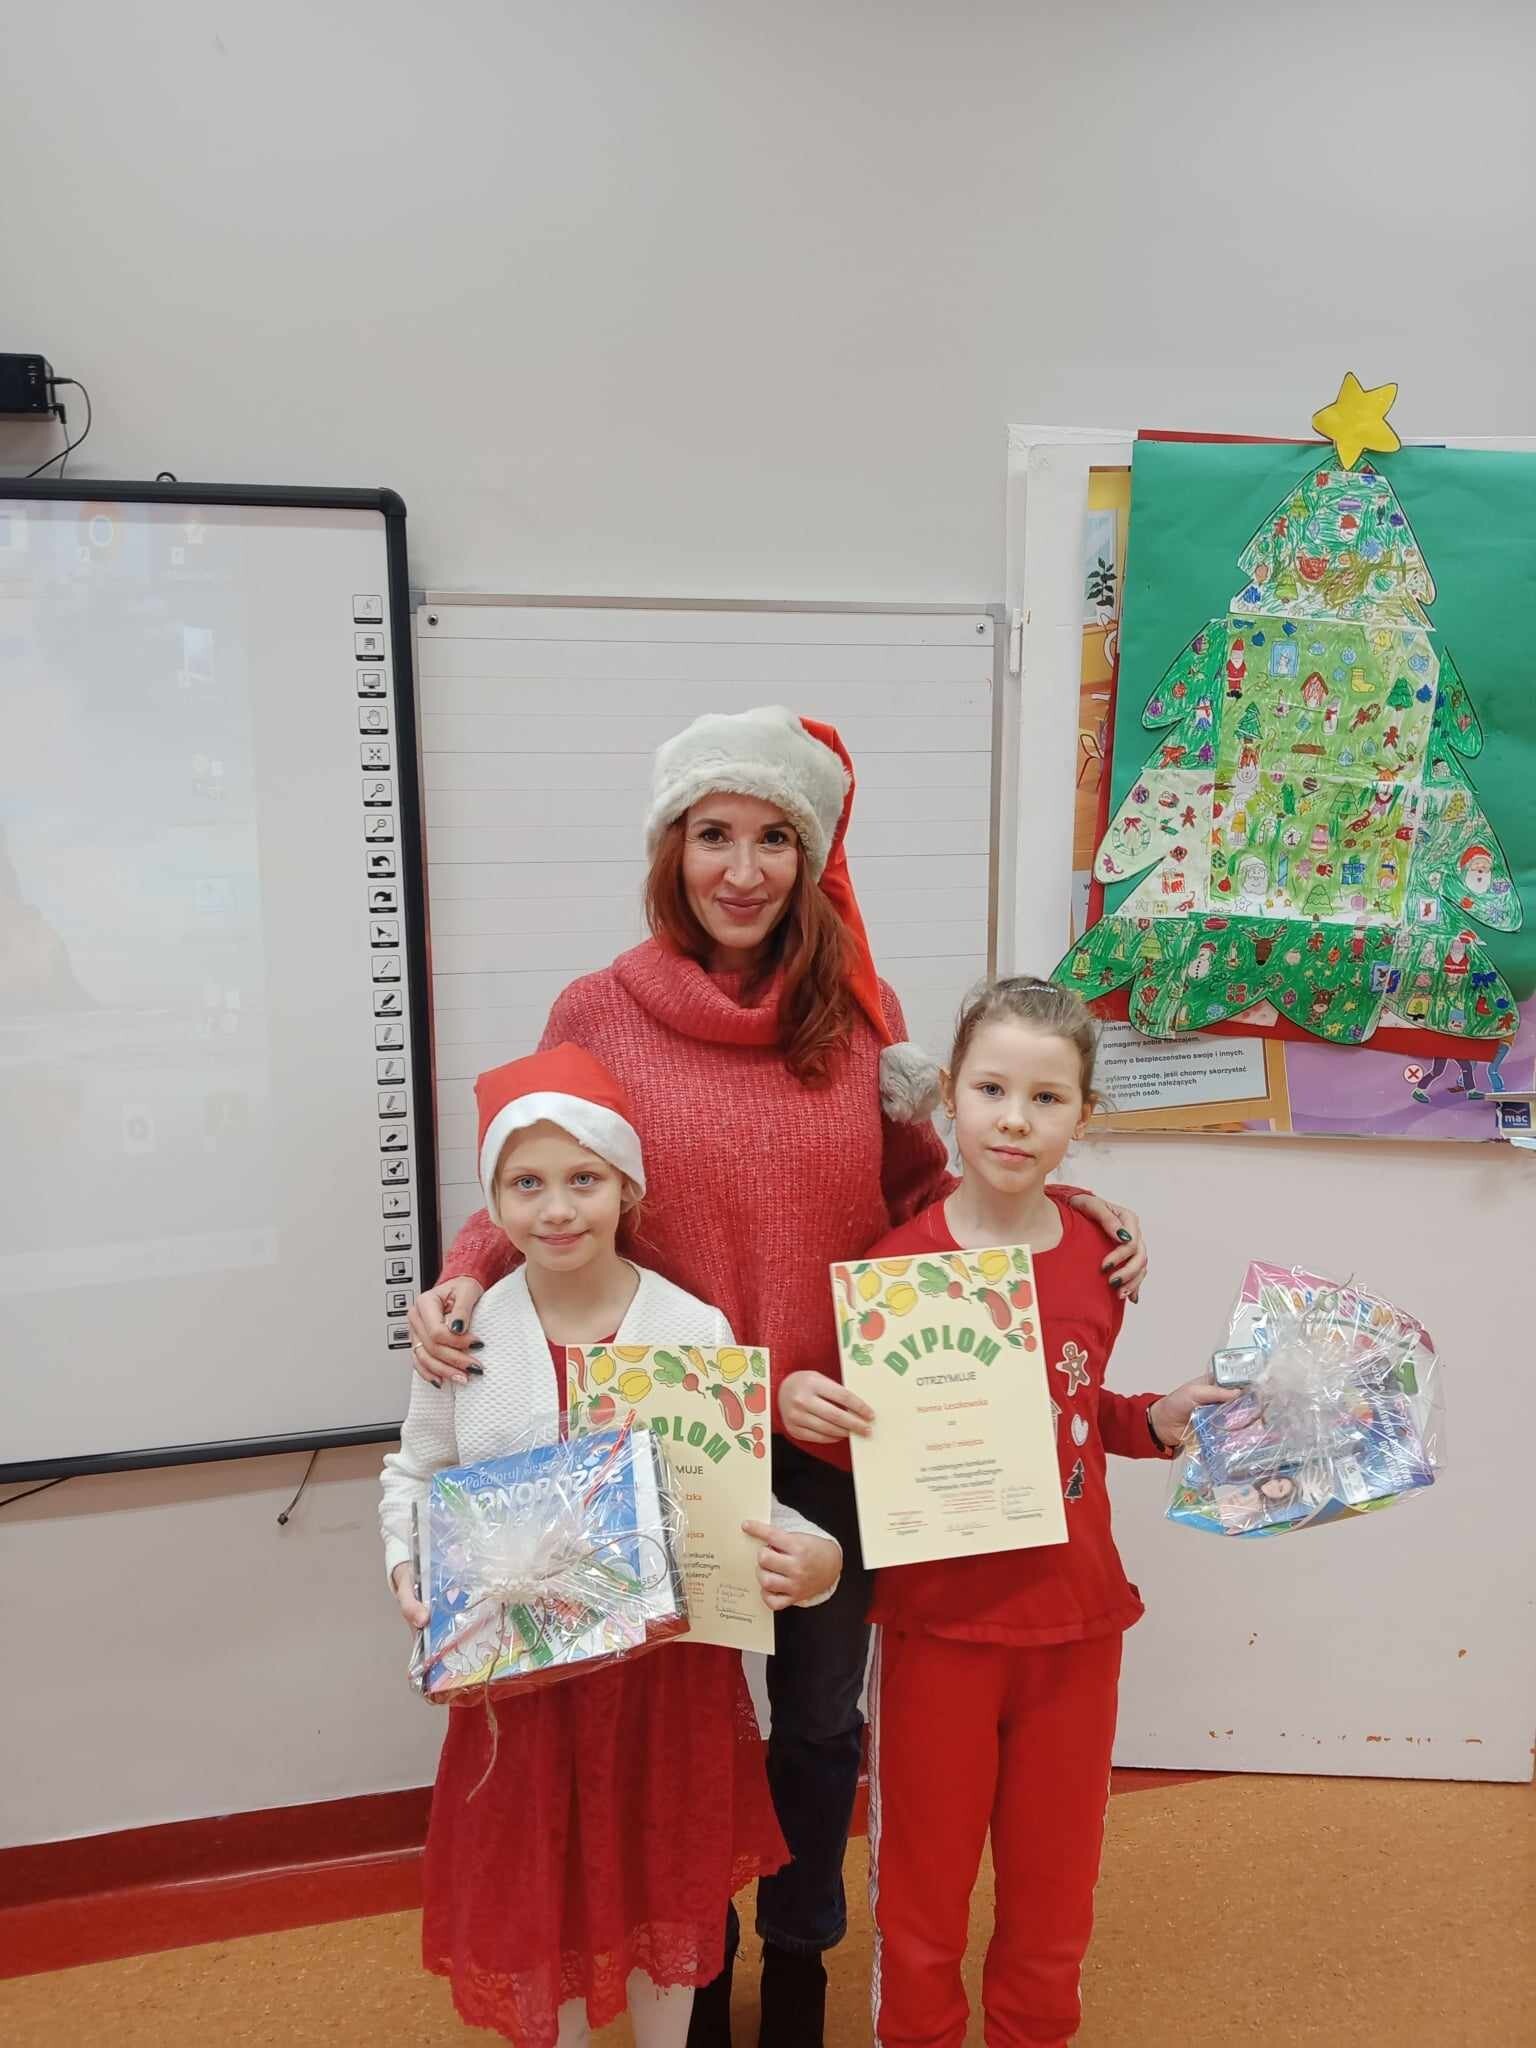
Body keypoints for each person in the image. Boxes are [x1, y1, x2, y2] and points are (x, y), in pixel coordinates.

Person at [405, 708, 1150, 2046]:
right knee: (680, 1729)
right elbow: (547, 1164)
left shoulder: (860, 1015)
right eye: (714, 834)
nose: (741, 870)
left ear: (809, 858)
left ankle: (801, 1954)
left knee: (814, 1724)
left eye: (772, 839)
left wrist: (1071, 1210)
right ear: (671, 848)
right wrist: (465, 1271)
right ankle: (696, 1959)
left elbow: (930, 1191)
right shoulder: (597, 1009)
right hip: (664, 1437)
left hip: (830, 1432)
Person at [380, 1045, 843, 2048]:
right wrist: (409, 1566)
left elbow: (736, 1486)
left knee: (663, 1897)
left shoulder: (692, 1326)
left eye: (583, 1179)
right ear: (494, 1200)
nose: (557, 1209)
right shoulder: (466, 1335)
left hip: (662, 1691)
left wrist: (816, 1558)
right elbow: (416, 1472)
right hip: (524, 1696)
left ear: (626, 1185)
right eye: (526, 1183)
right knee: (544, 1901)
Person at [807, 976, 1231, 2048]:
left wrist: (1156, 1419)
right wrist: (808, 1410)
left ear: (1084, 1115)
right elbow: (871, 1446)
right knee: (922, 1894)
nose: (1014, 1118)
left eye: (1047, 1098)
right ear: (949, 1094)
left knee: (1054, 1890)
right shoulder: (894, 1270)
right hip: (939, 1629)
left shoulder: (1100, 1255)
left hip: (1077, 1628)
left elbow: (1074, 1413)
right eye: (992, 1089)